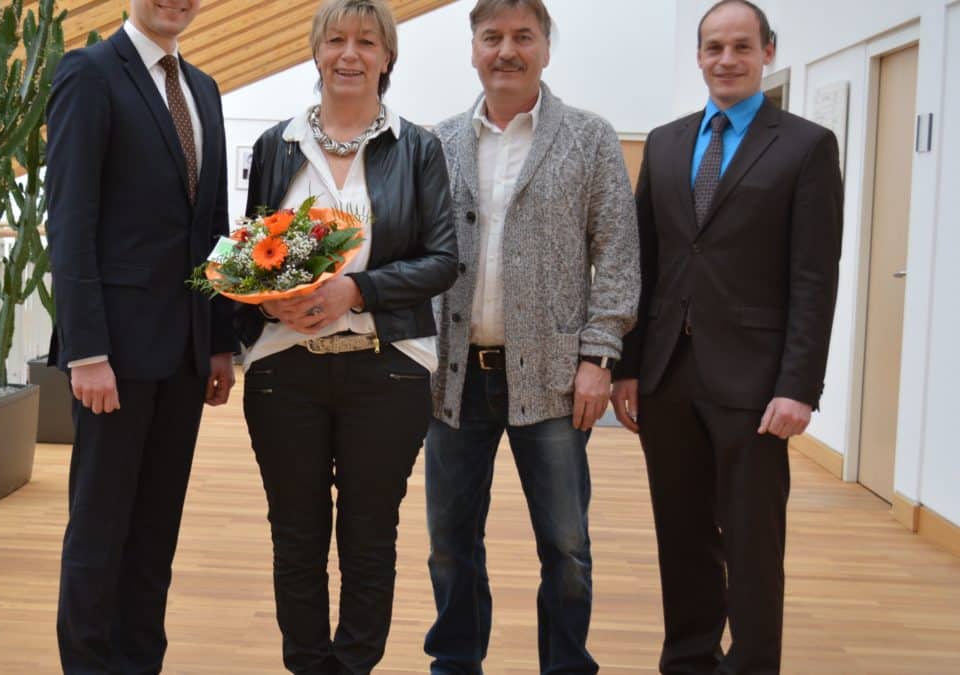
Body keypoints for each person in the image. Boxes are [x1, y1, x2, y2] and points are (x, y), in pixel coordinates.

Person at [611, 1, 844, 672]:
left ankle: (752, 663)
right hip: (668, 376)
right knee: (681, 535)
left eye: (742, 46)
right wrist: (628, 365)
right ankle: (687, 657)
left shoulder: (804, 145)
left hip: (755, 382)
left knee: (751, 542)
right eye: (714, 47)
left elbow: (813, 278)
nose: (727, 59)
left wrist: (798, 386)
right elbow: (645, 265)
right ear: (699, 56)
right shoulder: (666, 141)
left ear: (768, 52)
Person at [234, 1, 458, 672]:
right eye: (336, 40)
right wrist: (276, 305)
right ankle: (307, 664)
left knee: (368, 537)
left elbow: (442, 260)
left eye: (366, 41)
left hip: (386, 369)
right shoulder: (277, 145)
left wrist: (353, 290)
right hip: (284, 371)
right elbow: (253, 254)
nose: (350, 54)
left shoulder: (418, 148)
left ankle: (355, 665)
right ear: (316, 52)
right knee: (296, 536)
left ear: (388, 57)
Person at [424, 1, 640, 672]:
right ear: (473, 49)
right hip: (453, 377)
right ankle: (456, 662)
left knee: (566, 546)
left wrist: (599, 357)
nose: (507, 50)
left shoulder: (589, 137)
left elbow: (619, 255)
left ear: (547, 47)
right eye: (492, 37)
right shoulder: (439, 142)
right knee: (450, 544)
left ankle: (566, 664)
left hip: (550, 375)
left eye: (523, 36)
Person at [45, 0, 237, 670]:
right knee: (100, 534)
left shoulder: (204, 89)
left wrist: (217, 339)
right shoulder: (90, 74)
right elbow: (70, 222)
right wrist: (87, 350)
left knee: (155, 536)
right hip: (114, 359)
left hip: (184, 355)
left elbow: (212, 224)